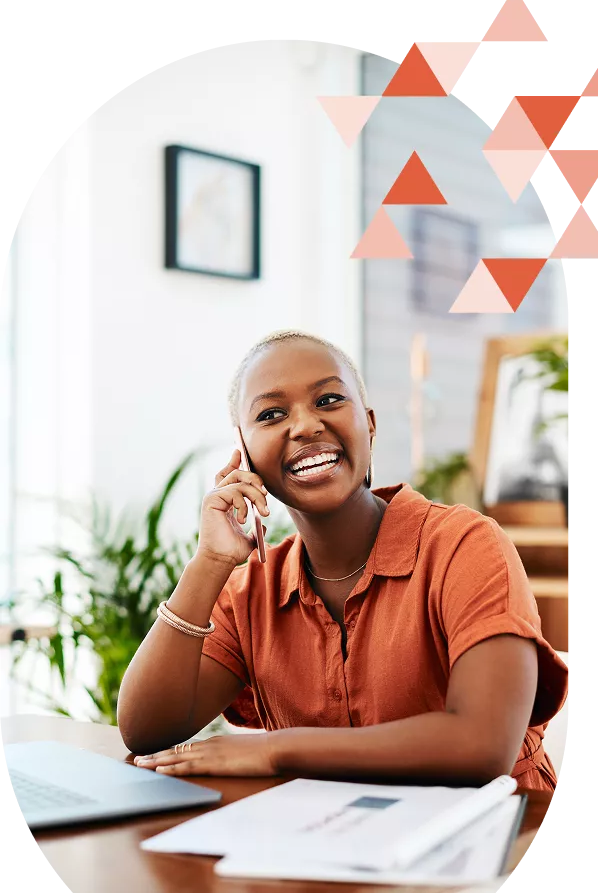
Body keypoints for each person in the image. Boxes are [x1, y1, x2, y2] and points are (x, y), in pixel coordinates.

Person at [117, 330, 569, 791]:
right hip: (332, 842)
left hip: (496, 841)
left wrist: (276, 749)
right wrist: (209, 561)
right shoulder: (252, 590)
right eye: (271, 414)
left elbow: (482, 745)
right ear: (245, 453)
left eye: (329, 400)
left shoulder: (465, 545)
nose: (306, 426)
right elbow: (146, 731)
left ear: (369, 424)